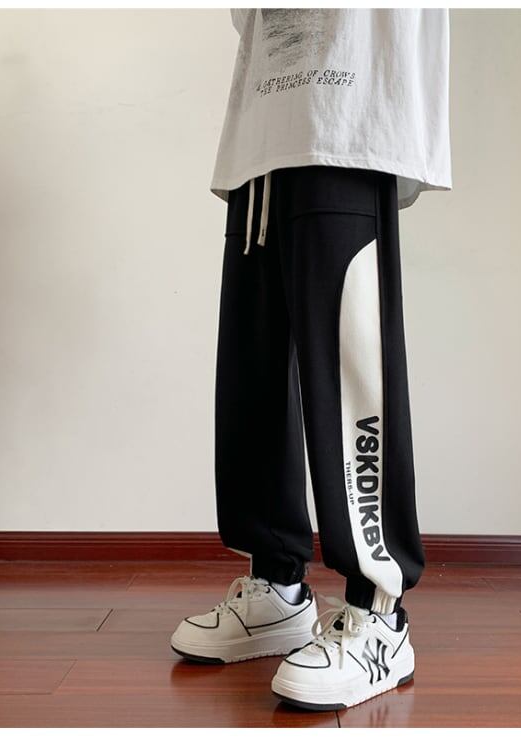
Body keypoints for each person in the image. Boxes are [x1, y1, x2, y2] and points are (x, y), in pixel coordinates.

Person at [171, 8, 451, 711]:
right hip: (265, 129)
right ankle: (277, 585)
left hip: (348, 112)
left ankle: (379, 615)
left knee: (350, 365)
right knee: (253, 364)